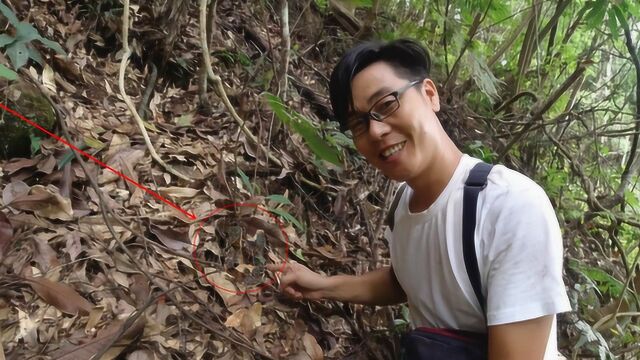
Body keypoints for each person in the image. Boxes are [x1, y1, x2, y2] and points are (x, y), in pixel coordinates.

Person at [267, 39, 571, 359]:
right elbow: (406, 281)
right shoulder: (404, 203)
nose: (376, 131)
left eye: (386, 104)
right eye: (359, 123)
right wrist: (322, 286)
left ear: (429, 94)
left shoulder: (510, 207)